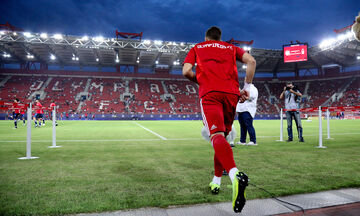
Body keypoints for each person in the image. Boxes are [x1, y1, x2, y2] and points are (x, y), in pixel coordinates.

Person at [182, 26, 256, 213]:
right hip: (232, 95)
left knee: (216, 135)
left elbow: (186, 71)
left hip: (210, 94)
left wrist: (200, 80)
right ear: (219, 37)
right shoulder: (231, 48)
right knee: (222, 136)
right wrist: (246, 86)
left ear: (206, 38)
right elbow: (251, 61)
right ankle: (216, 181)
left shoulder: (198, 48)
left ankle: (234, 174)